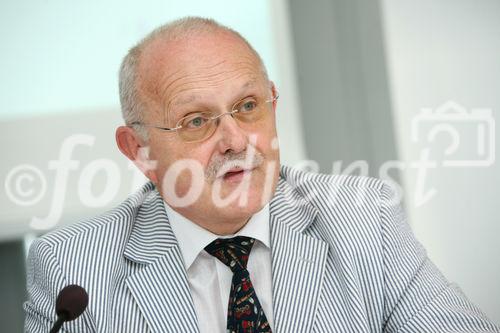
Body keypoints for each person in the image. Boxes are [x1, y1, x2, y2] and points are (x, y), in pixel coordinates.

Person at [24, 16, 500, 333]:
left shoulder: (364, 219)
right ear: (139, 150)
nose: (235, 140)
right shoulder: (72, 270)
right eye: (196, 121)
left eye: (248, 107)